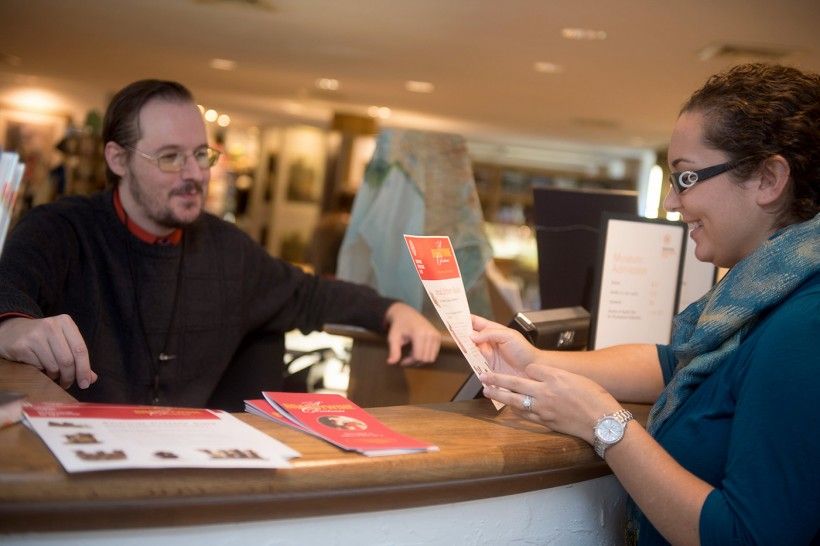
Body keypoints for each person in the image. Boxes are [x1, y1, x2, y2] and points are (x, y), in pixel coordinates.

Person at [471, 63, 819, 545]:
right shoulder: (763, 297)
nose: (672, 204)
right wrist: (534, 361)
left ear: (768, 178)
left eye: (687, 177)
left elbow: (745, 537)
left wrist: (604, 425)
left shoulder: (805, 323)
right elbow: (676, 361)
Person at [0, 79, 441, 411]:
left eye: (200, 154)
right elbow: (9, 286)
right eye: (170, 157)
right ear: (118, 159)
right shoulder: (60, 228)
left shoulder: (229, 251)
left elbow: (311, 295)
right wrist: (13, 327)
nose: (194, 174)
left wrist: (390, 310)